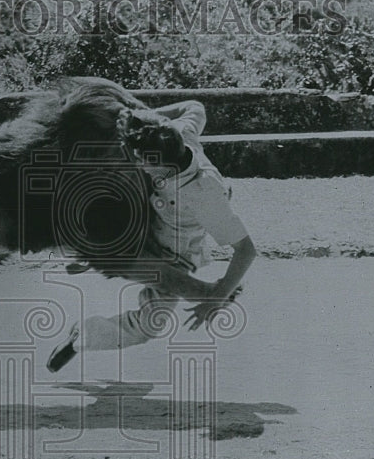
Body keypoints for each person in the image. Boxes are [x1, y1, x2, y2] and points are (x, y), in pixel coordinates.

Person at [47, 99, 256, 372]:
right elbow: (195, 107)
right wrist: (141, 116)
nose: (139, 164)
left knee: (150, 326)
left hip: (173, 257)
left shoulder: (204, 195)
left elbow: (246, 250)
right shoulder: (178, 134)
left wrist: (216, 299)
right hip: (143, 227)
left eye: (143, 162)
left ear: (161, 164)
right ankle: (94, 251)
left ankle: (82, 336)